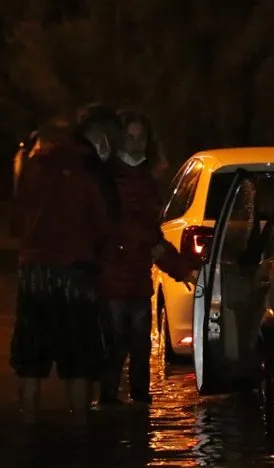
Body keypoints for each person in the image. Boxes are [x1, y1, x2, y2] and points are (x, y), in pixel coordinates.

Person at [9, 104, 122, 426]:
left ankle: (29, 427)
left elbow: (16, 222)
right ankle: (80, 431)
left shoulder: (33, 167)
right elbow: (104, 224)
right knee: (79, 361)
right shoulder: (91, 171)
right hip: (76, 273)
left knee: (30, 360)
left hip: (34, 273)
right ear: (99, 139)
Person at [96, 110, 199, 409]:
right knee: (117, 346)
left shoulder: (146, 178)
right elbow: (131, 230)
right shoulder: (112, 179)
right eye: (131, 137)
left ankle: (135, 401)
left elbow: (148, 234)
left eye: (140, 137)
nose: (136, 143)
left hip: (138, 277)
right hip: (116, 276)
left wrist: (179, 267)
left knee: (139, 346)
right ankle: (111, 400)